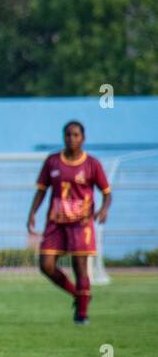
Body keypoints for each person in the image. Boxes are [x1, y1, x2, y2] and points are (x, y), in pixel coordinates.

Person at [27, 120, 112, 325]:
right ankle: (79, 294)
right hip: (55, 221)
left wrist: (103, 209)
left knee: (79, 266)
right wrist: (32, 212)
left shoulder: (92, 164)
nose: (71, 138)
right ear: (63, 137)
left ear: (83, 138)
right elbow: (42, 190)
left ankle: (82, 315)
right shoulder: (52, 161)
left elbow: (107, 193)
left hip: (80, 223)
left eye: (75, 135)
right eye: (68, 135)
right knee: (46, 264)